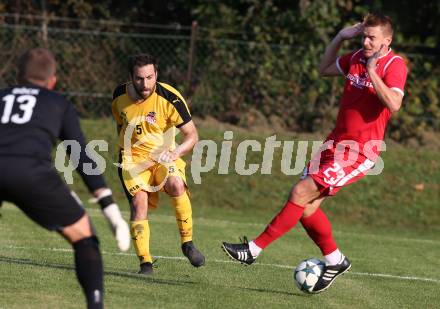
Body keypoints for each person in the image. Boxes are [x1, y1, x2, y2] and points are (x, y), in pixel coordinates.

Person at [222, 12, 408, 293]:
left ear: (387, 40)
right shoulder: (356, 56)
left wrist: (372, 70)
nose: (366, 41)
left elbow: (394, 104)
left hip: (360, 152)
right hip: (334, 144)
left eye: (372, 37)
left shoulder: (395, 65)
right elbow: (324, 68)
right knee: (307, 208)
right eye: (363, 36)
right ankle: (335, 260)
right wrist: (339, 38)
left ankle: (253, 249)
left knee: (300, 192)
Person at [0, 48, 130, 308]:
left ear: (18, 76)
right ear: (52, 81)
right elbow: (80, 155)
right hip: (31, 173)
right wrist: (111, 210)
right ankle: (95, 304)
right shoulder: (58, 102)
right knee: (84, 237)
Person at [111, 53, 205, 275]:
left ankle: (188, 243)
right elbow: (120, 124)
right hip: (132, 159)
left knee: (176, 184)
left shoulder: (170, 97)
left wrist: (175, 153)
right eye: (139, 78)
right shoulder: (118, 95)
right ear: (131, 78)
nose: (145, 84)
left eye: (150, 77)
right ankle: (145, 264)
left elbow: (192, 135)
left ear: (156, 75)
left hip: (164, 156)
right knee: (139, 202)